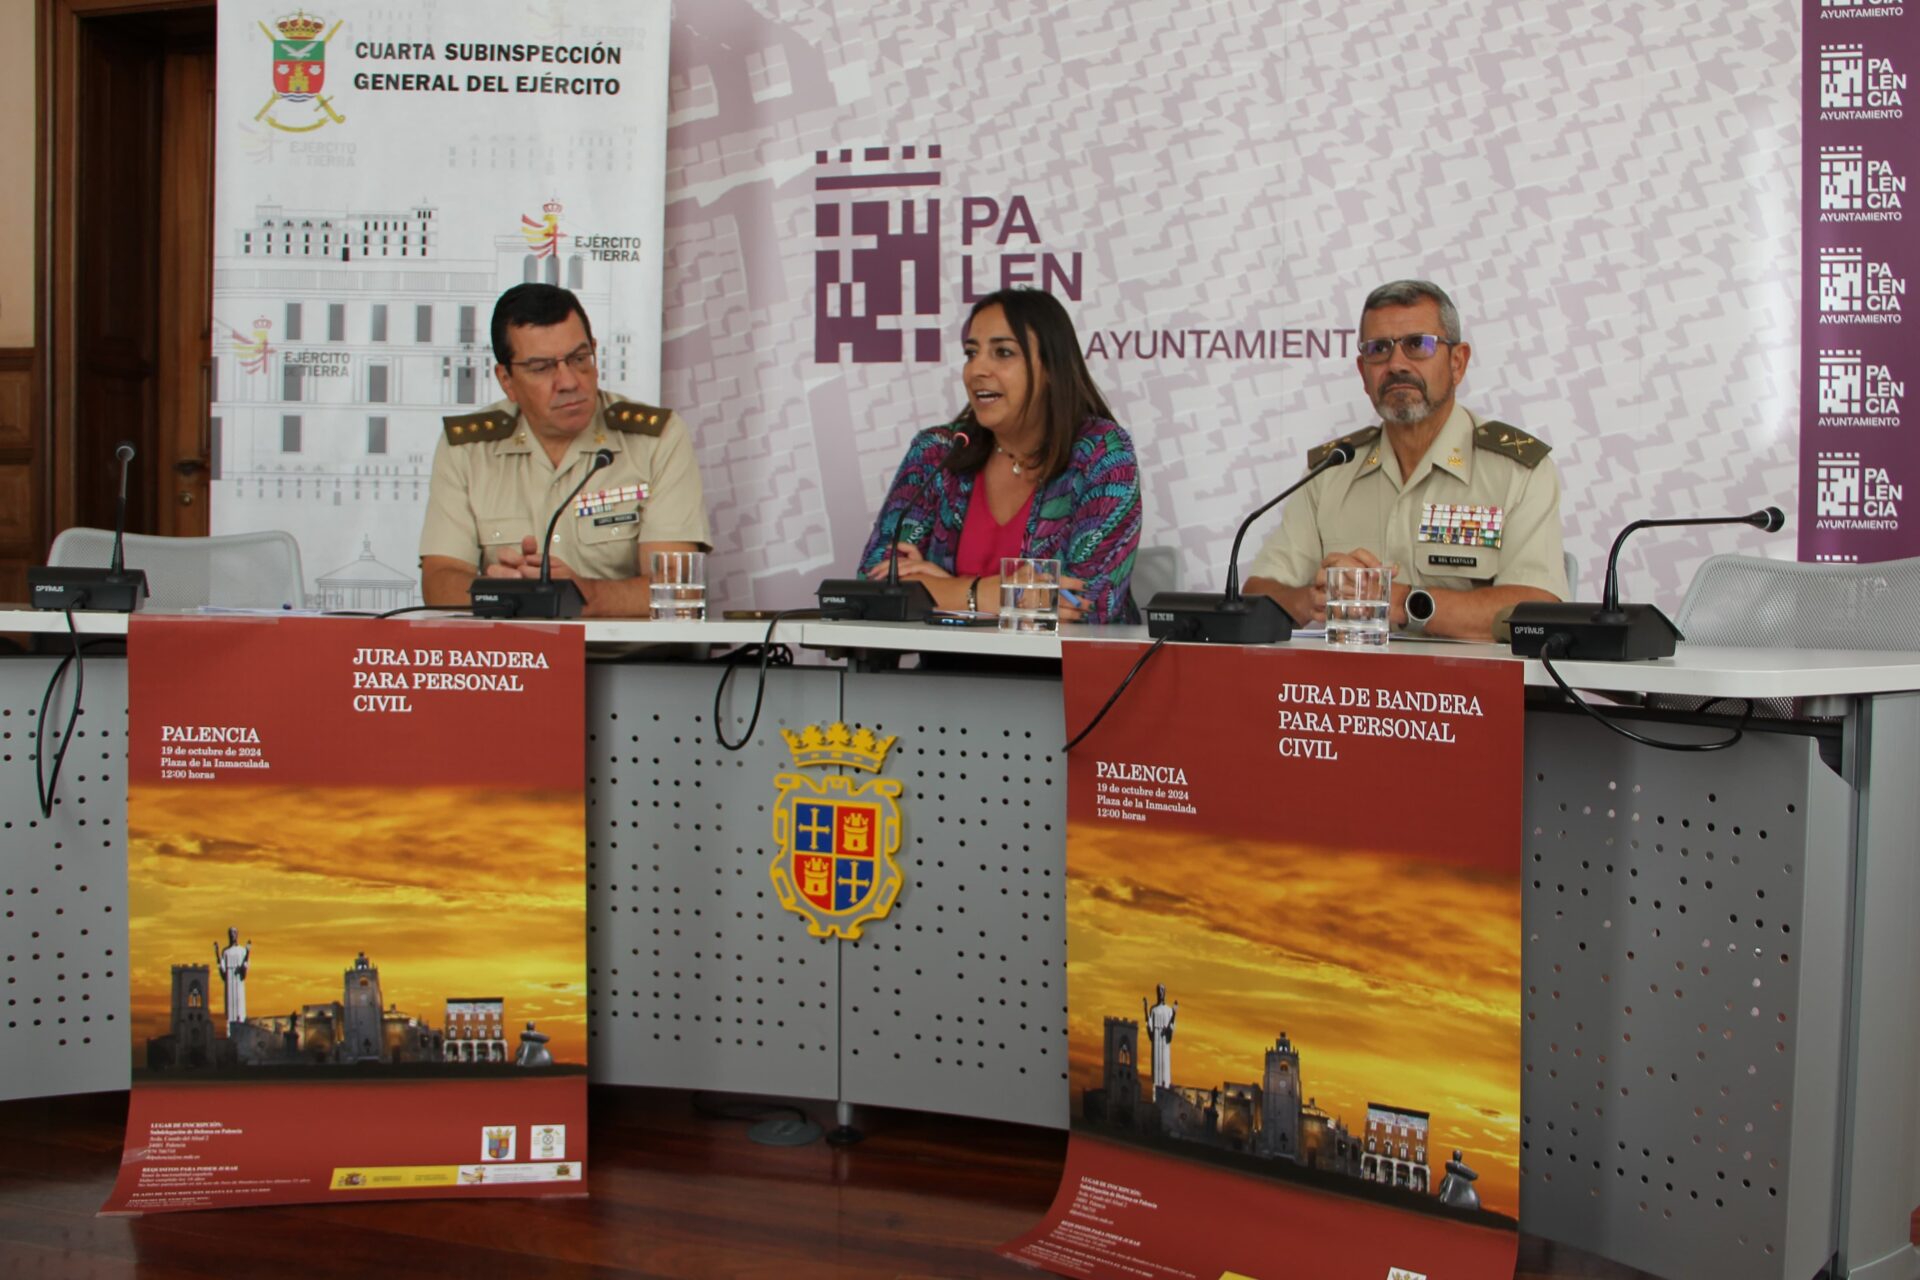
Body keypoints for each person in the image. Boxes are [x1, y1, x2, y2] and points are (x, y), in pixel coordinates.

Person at [1243, 280, 1568, 639]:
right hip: (1350, 689)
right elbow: (1259, 592)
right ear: (1363, 372)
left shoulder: (1516, 472)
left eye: (1417, 344)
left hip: (1469, 691)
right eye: (1379, 349)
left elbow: (1537, 608)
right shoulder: (1331, 470)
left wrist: (1397, 601)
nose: (1396, 364)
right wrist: (1312, 601)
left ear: (1457, 362)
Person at [418, 283, 711, 615]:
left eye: (579, 359)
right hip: (520, 661)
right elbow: (439, 581)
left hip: (629, 661)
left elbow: (678, 591)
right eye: (541, 368)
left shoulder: (655, 439)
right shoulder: (467, 449)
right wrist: (509, 594)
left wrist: (583, 595)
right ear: (507, 380)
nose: (569, 381)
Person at [857, 288, 1142, 623]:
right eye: (970, 353)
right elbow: (875, 586)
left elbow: (1087, 605)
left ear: (1051, 367)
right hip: (943, 672)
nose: (977, 369)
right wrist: (999, 593)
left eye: (1003, 352)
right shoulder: (938, 452)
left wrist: (949, 590)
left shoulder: (1102, 453)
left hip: (1063, 674)